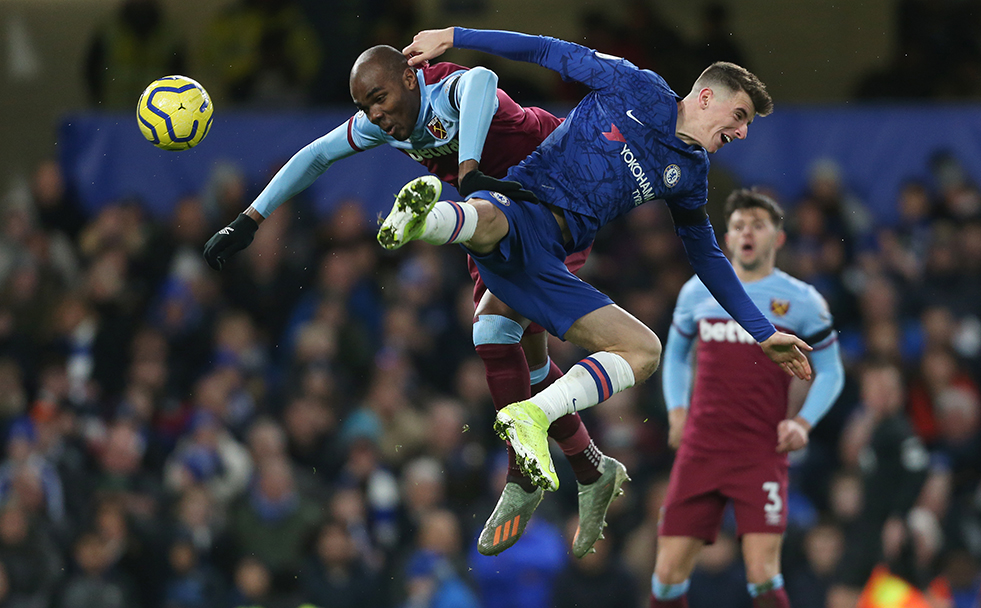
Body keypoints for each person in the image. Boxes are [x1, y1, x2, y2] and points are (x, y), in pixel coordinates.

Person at [383, 28, 813, 556]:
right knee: (495, 295)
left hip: (559, 252)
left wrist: (763, 332)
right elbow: (546, 51)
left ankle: (567, 454)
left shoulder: (692, 171)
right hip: (525, 204)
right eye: (740, 116)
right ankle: (420, 221)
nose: (742, 132)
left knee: (619, 348)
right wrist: (455, 35)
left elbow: (706, 254)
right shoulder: (634, 86)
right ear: (706, 97)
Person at [201, 44, 620, 557]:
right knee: (501, 340)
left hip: (554, 196)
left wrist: (466, 170)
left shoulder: (446, 89)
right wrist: (249, 220)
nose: (375, 114)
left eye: (379, 97)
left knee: (501, 327)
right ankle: (588, 466)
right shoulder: (383, 124)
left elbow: (484, 79)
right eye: (364, 107)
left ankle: (526, 474)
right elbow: (314, 155)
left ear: (409, 76)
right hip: (493, 216)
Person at [650, 189, 845, 608]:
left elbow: (832, 370)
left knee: (762, 573)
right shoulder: (698, 292)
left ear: (778, 238)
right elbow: (677, 358)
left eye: (758, 225)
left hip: (760, 449)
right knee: (666, 575)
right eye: (738, 225)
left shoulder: (803, 301)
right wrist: (677, 412)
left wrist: (803, 422)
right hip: (701, 447)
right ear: (727, 236)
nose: (747, 232)